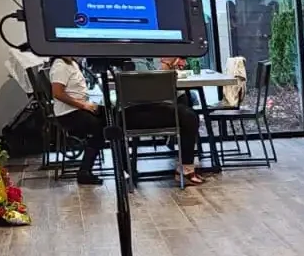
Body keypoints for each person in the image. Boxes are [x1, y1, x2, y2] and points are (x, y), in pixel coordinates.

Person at [50, 57, 205, 187]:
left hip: (128, 113)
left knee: (107, 119)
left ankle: (124, 169)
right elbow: (154, 90)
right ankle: (183, 168)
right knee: (188, 115)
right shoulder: (138, 64)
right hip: (138, 112)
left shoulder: (133, 62)